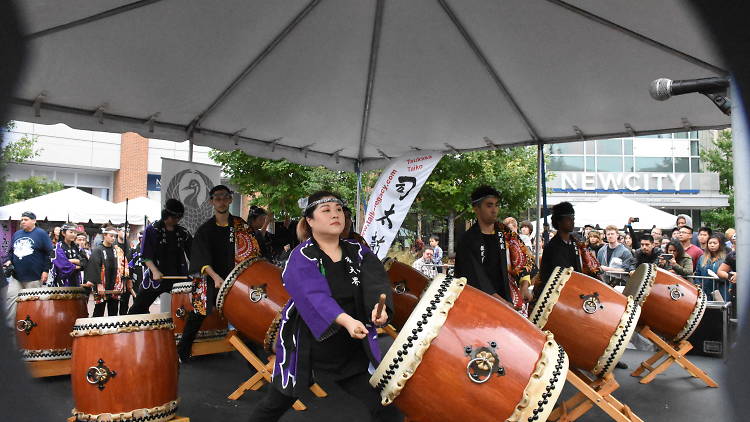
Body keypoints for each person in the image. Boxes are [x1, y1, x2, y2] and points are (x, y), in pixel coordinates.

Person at [247, 191, 397, 422]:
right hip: (308, 344)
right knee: (274, 405)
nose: (335, 215)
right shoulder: (302, 256)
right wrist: (346, 320)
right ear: (310, 220)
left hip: (348, 345)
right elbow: (314, 295)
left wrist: (379, 310)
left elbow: (376, 284)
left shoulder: (358, 251)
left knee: (384, 406)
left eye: (338, 210)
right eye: (326, 211)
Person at [177, 185, 260, 361]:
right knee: (197, 314)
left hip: (237, 281)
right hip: (210, 280)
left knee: (245, 317)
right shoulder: (204, 230)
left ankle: (254, 361)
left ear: (230, 199)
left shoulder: (241, 226)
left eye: (224, 197)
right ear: (211, 202)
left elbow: (252, 253)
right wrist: (215, 278)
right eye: (217, 198)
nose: (221, 201)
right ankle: (182, 352)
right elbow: (200, 259)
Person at [454, 186, 534, 314]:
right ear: (476, 208)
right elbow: (476, 279)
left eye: (497, 205)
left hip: (506, 301)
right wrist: (501, 303)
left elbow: (524, 258)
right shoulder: (467, 240)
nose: (494, 210)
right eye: (489, 205)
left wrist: (524, 286)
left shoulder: (505, 232)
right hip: (477, 307)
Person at [128, 199, 192, 315]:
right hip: (156, 276)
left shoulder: (183, 232)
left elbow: (193, 254)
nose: (176, 220)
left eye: (178, 218)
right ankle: (134, 331)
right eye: (174, 218)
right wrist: (155, 271)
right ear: (166, 215)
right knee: (138, 308)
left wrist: (196, 271)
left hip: (179, 276)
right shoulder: (152, 230)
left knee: (186, 309)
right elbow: (146, 255)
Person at [2, 211, 55, 329]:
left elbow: (49, 253)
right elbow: (11, 252)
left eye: (26, 219)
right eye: (22, 220)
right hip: (16, 276)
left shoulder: (41, 234)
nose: (22, 222)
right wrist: (9, 261)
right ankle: (10, 330)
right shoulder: (17, 234)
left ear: (34, 221)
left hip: (34, 277)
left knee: (32, 305)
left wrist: (45, 270)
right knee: (11, 301)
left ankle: (33, 332)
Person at [536, 202, 582, 299]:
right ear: (559, 221)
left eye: (573, 218)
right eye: (569, 218)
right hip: (557, 295)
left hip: (575, 292)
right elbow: (547, 277)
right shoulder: (552, 247)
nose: (572, 221)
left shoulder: (576, 243)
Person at [86, 225, 130, 317]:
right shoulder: (98, 250)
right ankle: (95, 329)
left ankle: (111, 330)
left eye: (115, 236)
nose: (113, 238)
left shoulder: (118, 250)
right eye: (111, 236)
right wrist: (98, 284)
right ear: (104, 235)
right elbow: (94, 267)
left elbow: (124, 265)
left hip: (115, 286)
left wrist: (125, 281)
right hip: (102, 284)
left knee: (113, 312)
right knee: (99, 310)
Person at [49, 223, 88, 287]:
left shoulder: (77, 248)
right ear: (63, 233)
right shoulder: (57, 247)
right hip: (61, 281)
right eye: (71, 232)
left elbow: (85, 262)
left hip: (76, 279)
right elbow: (62, 264)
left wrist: (71, 260)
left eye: (75, 233)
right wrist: (77, 265)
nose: (73, 234)